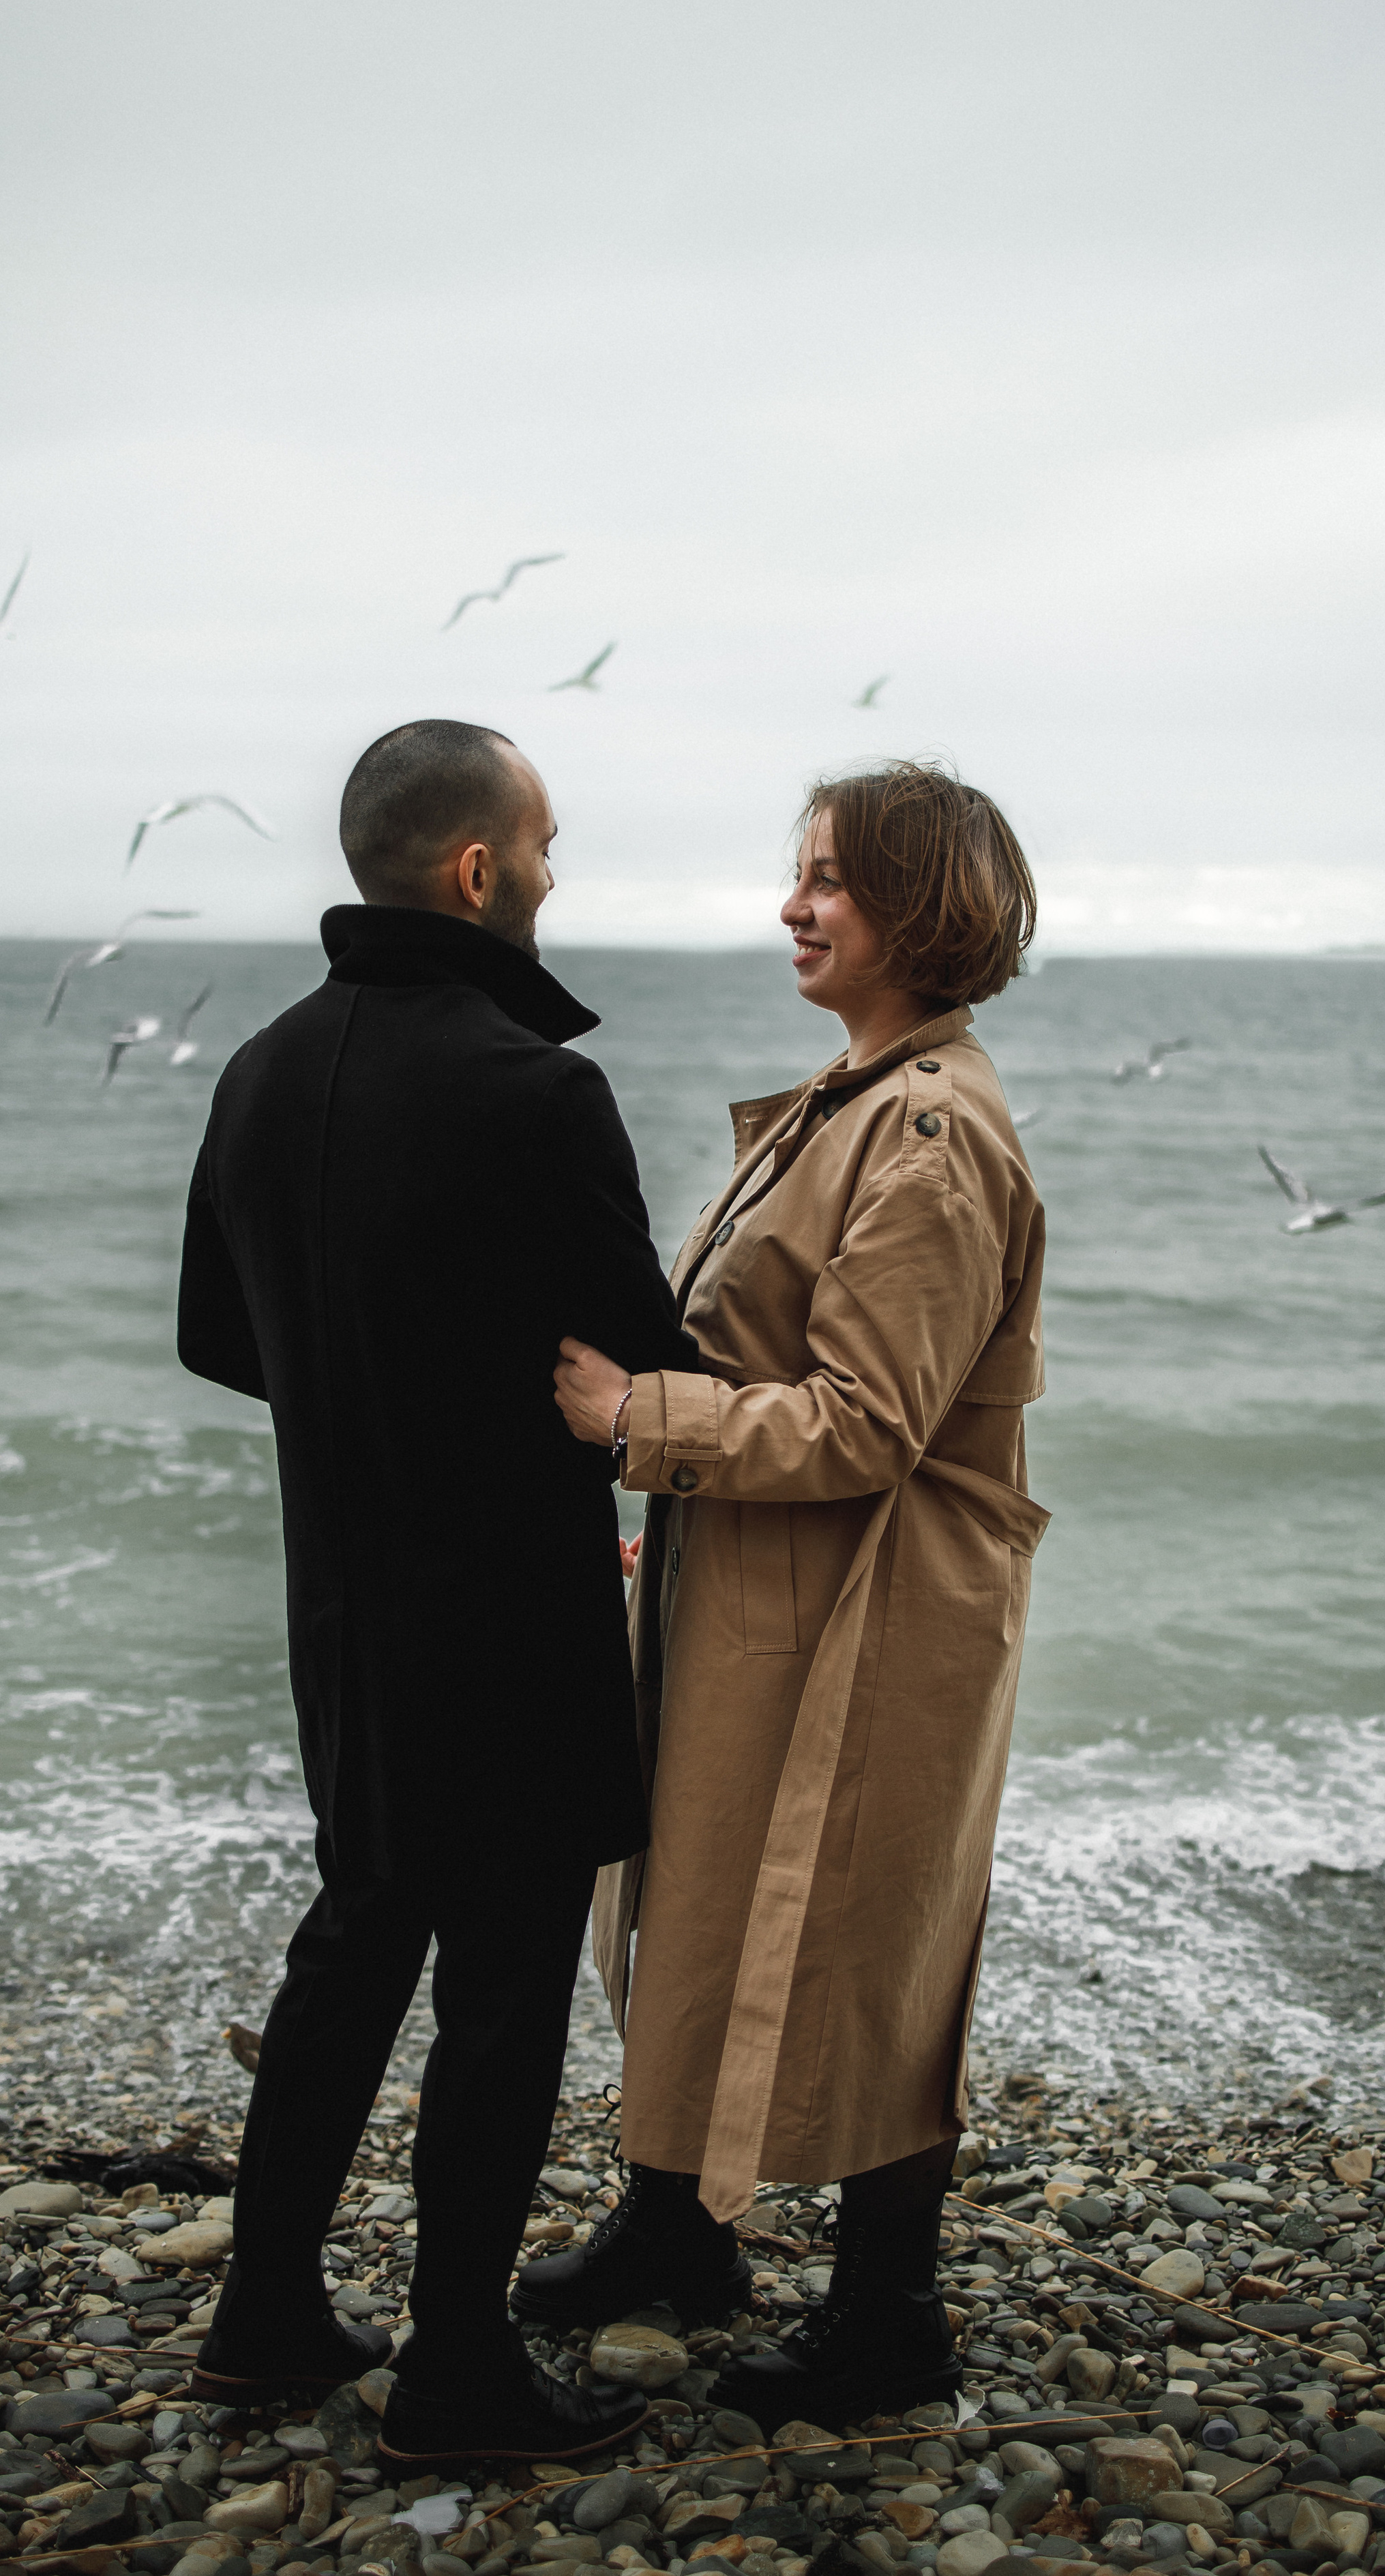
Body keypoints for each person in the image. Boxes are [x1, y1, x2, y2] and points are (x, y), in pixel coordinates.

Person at [176, 717, 695, 2466]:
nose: (554, 871)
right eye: (542, 844)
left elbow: (211, 1338)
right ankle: (458, 2370)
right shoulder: (531, 1088)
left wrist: (360, 1401)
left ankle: (262, 2313)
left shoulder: (256, 1068)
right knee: (499, 1983)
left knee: (356, 1928)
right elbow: (645, 1361)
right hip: (510, 1610)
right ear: (477, 870)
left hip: (343, 1609)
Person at [543, 758, 1048, 2430]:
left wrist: (637, 1419)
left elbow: (870, 1421)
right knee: (695, 1894)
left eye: (828, 876)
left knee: (862, 1932)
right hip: (768, 1579)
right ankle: (675, 2228)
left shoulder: (923, 1127)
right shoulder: (855, 1097)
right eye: (798, 871)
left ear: (922, 907)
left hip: (869, 1612)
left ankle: (890, 2320)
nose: (791, 902)